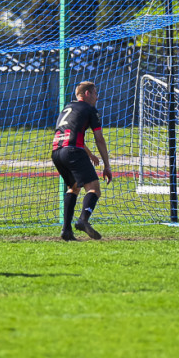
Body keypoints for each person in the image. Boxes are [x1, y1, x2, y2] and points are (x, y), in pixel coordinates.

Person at [52, 81, 113, 241]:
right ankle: (83, 220)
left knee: (73, 188)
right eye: (95, 93)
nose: (97, 97)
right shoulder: (90, 109)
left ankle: (66, 231)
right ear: (87, 94)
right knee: (94, 189)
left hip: (57, 152)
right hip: (72, 151)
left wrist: (90, 154)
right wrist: (107, 165)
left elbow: (70, 133)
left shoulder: (66, 108)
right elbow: (99, 139)